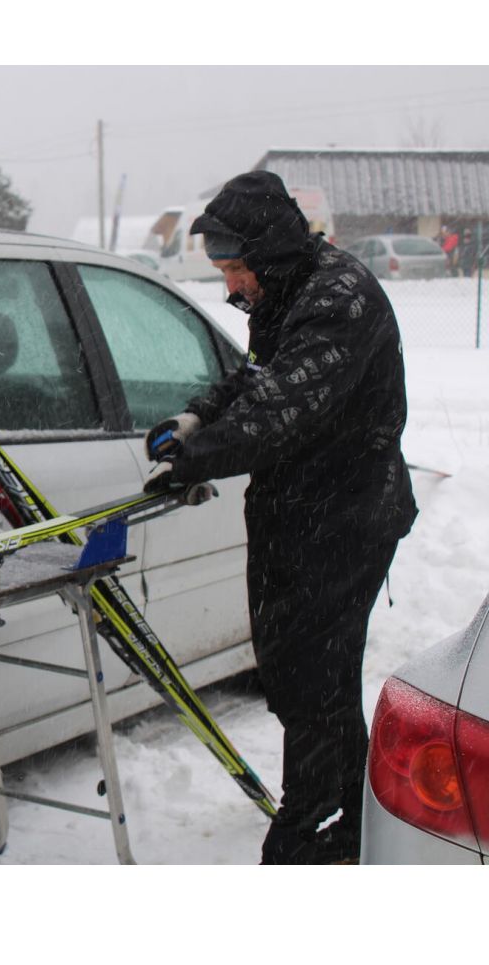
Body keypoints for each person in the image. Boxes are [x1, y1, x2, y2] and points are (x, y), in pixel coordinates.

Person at [143, 171, 416, 865]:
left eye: (237, 269)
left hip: (347, 517)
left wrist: (198, 458)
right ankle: (352, 814)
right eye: (224, 272)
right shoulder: (289, 288)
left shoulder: (340, 300)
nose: (232, 286)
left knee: (315, 675)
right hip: (296, 513)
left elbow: (280, 412)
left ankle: (311, 826)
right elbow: (259, 377)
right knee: (301, 674)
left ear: (268, 253)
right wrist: (198, 416)